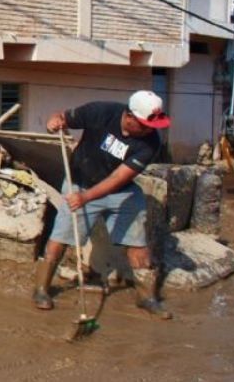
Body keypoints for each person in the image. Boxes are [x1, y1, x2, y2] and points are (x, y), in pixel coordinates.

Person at [34, 90, 173, 320]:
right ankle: (41, 289)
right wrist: (54, 122)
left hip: (120, 191)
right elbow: (61, 117)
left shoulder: (151, 143)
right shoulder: (100, 112)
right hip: (80, 182)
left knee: (138, 242)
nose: (150, 130)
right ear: (129, 116)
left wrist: (86, 198)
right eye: (145, 125)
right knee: (61, 235)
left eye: (152, 126)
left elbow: (118, 178)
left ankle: (146, 297)